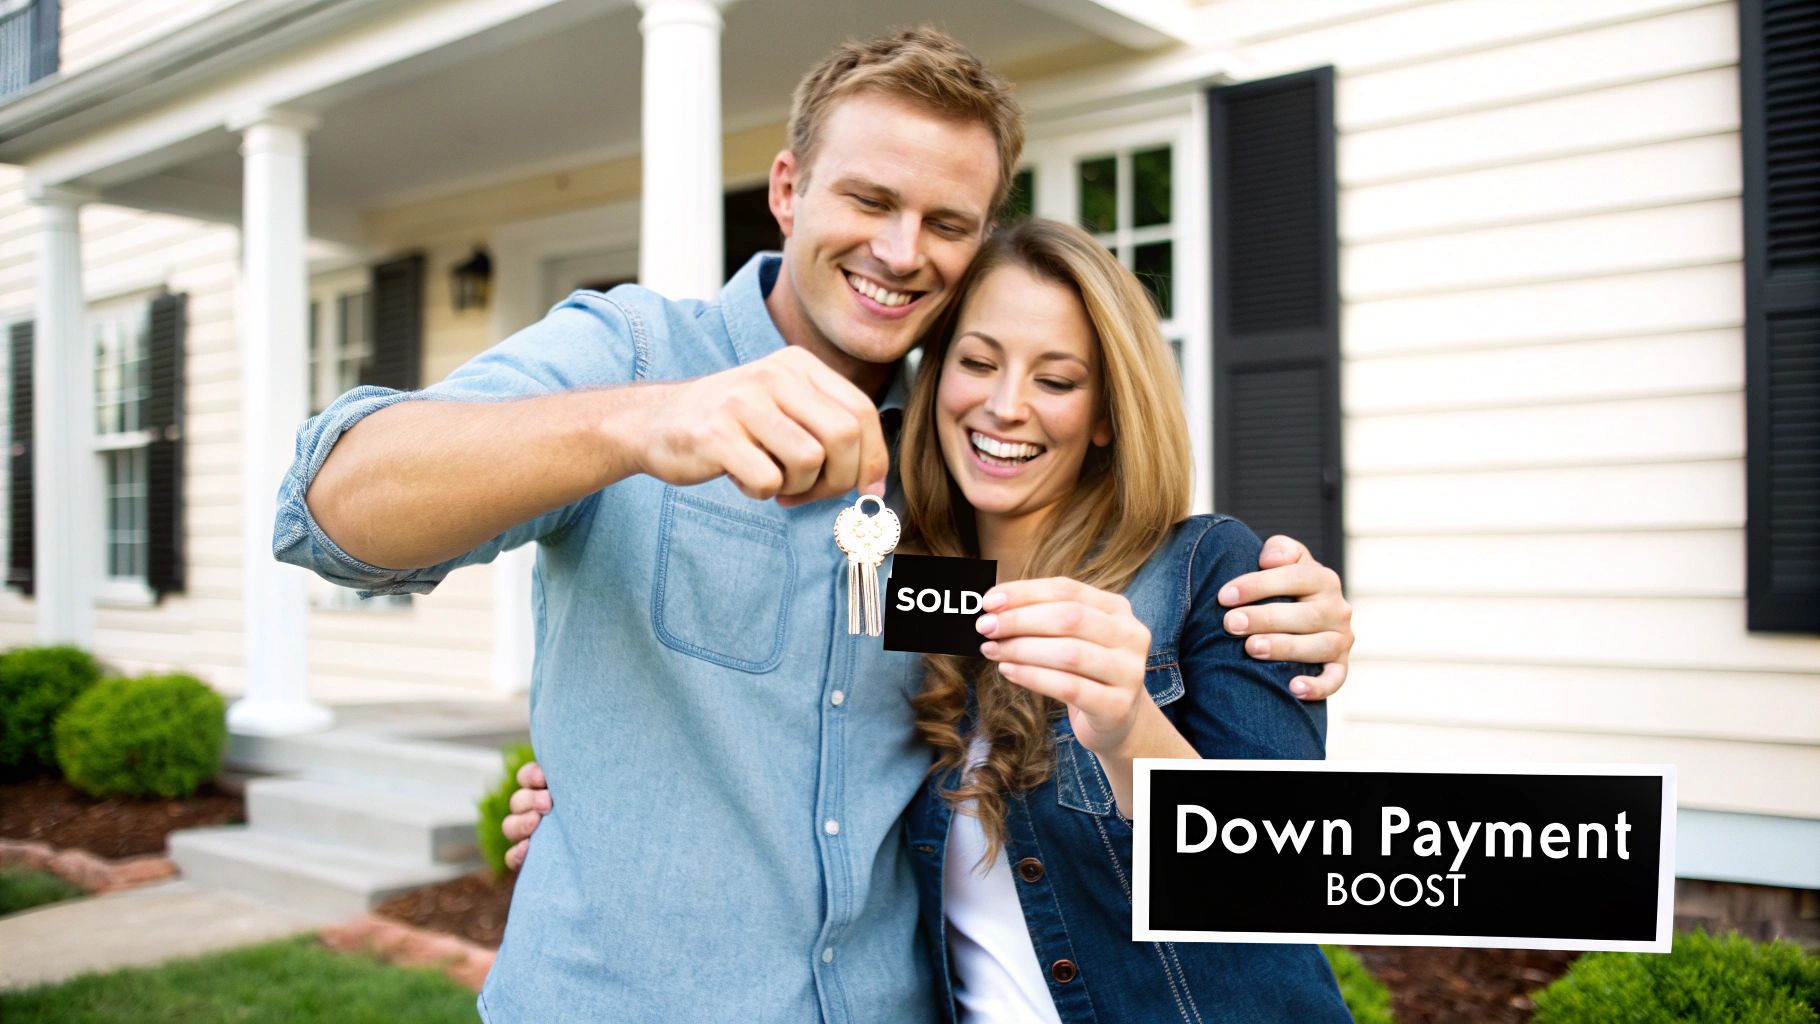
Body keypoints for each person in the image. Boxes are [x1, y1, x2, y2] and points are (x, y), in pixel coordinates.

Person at [278, 28, 1352, 1024]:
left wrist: (1250, 634)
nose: (899, 249)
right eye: (868, 199)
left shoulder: (949, 501)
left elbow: (1252, 850)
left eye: (944, 223)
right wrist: (642, 425)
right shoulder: (636, 357)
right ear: (786, 190)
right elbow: (331, 508)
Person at [505, 219, 1353, 1022]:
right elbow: (813, 744)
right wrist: (600, 795)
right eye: (978, 363)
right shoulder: (923, 597)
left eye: (1056, 380)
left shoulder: (1209, 575)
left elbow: (1285, 877)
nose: (1006, 406)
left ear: (1106, 416)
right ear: (937, 374)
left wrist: (1131, 728)